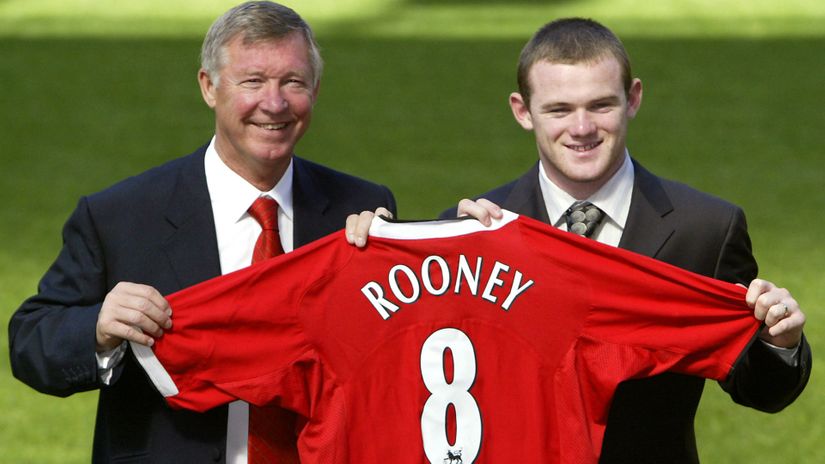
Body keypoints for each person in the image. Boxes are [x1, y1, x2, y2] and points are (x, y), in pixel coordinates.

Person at [347, 17, 811, 463]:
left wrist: (779, 342)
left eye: (600, 105)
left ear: (633, 99)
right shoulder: (469, 230)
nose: (583, 128)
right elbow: (405, 372)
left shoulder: (706, 228)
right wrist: (376, 247)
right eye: (559, 109)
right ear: (522, 111)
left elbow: (759, 389)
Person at [8, 2, 395, 463]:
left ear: (316, 89)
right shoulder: (121, 215)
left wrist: (472, 225)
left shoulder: (363, 212)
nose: (274, 103)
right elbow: (30, 341)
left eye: (293, 82)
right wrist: (96, 328)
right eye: (252, 81)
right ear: (209, 87)